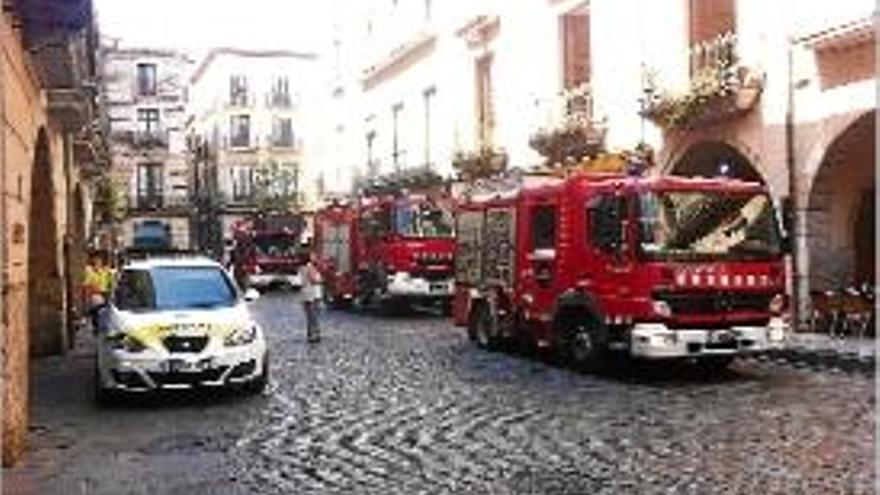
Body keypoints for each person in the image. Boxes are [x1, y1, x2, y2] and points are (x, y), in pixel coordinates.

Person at [83, 251, 115, 331]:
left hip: (105, 293)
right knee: (97, 310)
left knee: (106, 311)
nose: (97, 261)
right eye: (96, 259)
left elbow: (112, 280)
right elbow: (87, 284)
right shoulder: (89, 270)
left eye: (99, 259)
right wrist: (87, 297)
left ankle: (103, 326)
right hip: (95, 294)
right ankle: (96, 327)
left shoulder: (106, 270)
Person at [299, 253, 323, 343]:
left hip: (306, 295)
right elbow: (313, 280)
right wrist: (321, 280)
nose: (316, 257)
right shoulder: (310, 267)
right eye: (314, 256)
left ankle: (310, 334)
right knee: (314, 316)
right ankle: (315, 335)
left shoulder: (302, 267)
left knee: (310, 316)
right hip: (312, 295)